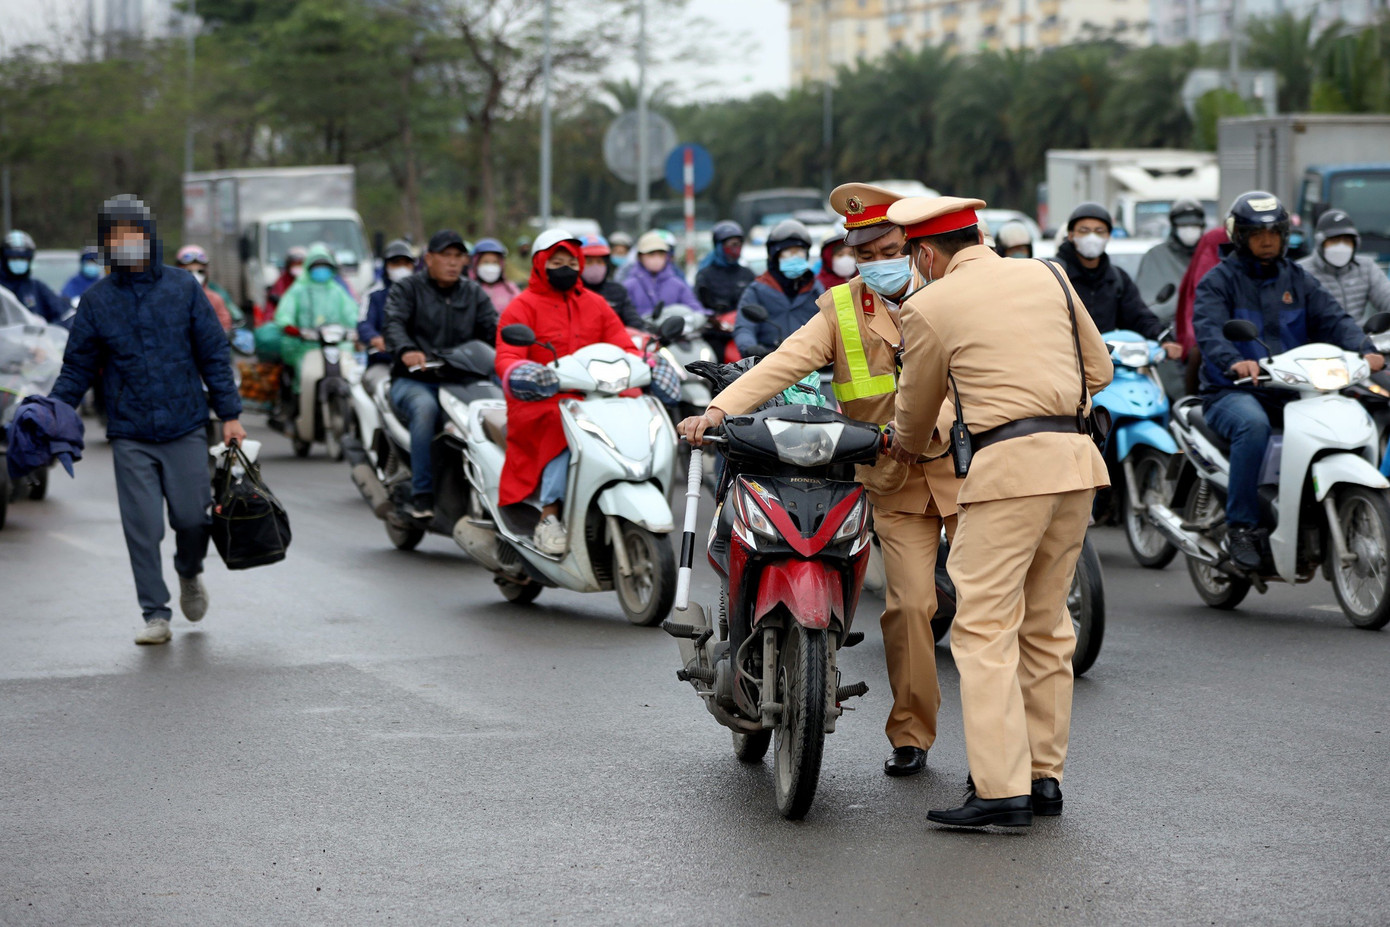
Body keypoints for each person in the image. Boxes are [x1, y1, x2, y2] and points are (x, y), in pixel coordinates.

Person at [679, 183, 960, 778]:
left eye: (887, 248)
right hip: (891, 478)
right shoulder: (841, 308)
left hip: (965, 472)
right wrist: (718, 412)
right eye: (864, 253)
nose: (877, 262)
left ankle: (1015, 760)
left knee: (991, 611)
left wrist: (933, 428)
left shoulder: (954, 294)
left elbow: (978, 377)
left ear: (914, 244)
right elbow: (784, 361)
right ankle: (912, 736)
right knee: (911, 607)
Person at [883, 195, 1112, 829]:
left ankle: (1001, 790)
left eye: (909, 255)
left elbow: (917, 409)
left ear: (925, 253)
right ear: (979, 235)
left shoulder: (928, 305)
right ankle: (1044, 779)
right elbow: (1101, 369)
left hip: (1006, 471)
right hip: (1074, 463)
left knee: (982, 629)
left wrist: (904, 446)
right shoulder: (1050, 274)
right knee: (1046, 625)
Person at [48, 194, 245, 646]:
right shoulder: (97, 302)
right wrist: (54, 410)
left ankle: (190, 572)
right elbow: (77, 367)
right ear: (106, 245)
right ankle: (155, 613)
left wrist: (230, 414)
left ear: (149, 237)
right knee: (143, 528)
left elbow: (213, 353)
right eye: (116, 237)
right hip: (130, 430)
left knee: (193, 520)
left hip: (185, 423)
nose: (126, 243)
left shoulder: (182, 288)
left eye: (133, 234)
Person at [1194, 191, 1383, 571]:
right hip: (1232, 391)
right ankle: (1242, 527)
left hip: (1293, 388)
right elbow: (1209, 329)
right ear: (1239, 236)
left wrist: (1364, 348)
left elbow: (1334, 319)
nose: (1267, 241)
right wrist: (1235, 362)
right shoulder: (1219, 281)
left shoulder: (1299, 278)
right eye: (1257, 233)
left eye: (1274, 233)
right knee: (1252, 425)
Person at [495, 229, 651, 555]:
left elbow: (624, 345)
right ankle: (550, 516)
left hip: (598, 396)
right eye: (556, 261)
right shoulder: (521, 306)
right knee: (564, 426)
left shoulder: (596, 304)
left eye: (571, 261)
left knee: (642, 413)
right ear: (540, 264)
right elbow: (508, 356)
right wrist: (522, 374)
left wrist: (643, 363)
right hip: (543, 399)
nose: (565, 267)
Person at [384, 229, 498, 520]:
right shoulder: (408, 289)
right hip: (416, 379)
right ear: (429, 259)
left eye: (458, 256)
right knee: (425, 410)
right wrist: (407, 349)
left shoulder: (473, 292)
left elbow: (493, 329)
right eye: (445, 255)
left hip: (463, 380)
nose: (452, 262)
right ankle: (422, 495)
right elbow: (394, 323)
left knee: (499, 409)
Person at [1054, 203, 1181, 360]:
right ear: (1071, 234)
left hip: (1107, 363)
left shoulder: (1117, 279)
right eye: (1084, 231)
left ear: (1108, 236)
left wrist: (1162, 336)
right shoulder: (1054, 274)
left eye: (1099, 231)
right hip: (1062, 362)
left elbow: (1137, 316)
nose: (1092, 237)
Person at [733, 218, 824, 355]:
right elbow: (744, 327)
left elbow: (830, 327)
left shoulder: (816, 290)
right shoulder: (757, 290)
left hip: (812, 363)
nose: (795, 257)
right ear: (774, 257)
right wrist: (750, 348)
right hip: (770, 360)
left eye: (799, 252)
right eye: (788, 252)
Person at [1297, 209, 1390, 325]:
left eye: (1347, 241)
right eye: (1334, 241)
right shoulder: (1301, 272)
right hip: (1319, 341)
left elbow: (1386, 296)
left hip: (1360, 338)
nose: (1341, 247)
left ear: (1355, 243)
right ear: (1321, 243)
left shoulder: (1366, 267)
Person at [1135, 198, 1205, 325]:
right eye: (1183, 225)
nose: (1189, 230)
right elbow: (1146, 302)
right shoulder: (1155, 256)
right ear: (1173, 226)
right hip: (1167, 330)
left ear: (1202, 226)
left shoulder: (1211, 254)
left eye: (1194, 225)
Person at [358, 238, 415, 372]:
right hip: (383, 361)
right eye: (396, 263)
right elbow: (364, 323)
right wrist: (375, 339)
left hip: (417, 362)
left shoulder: (421, 292)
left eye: (406, 263)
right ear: (386, 266)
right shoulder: (374, 294)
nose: (402, 268)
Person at [624, 231, 704, 318]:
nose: (657, 259)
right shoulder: (629, 286)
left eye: (661, 255)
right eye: (651, 254)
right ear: (640, 257)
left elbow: (695, 309)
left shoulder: (677, 285)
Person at [1, 230, 70, 328]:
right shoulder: (1, 290)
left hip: (35, 341)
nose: (19, 262)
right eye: (14, 258)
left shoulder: (36, 287)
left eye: (23, 258)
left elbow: (61, 312)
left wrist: (46, 327)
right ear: (4, 258)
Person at [579, 233, 640, 327]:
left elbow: (634, 322)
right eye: (589, 262)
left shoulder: (618, 291)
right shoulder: (571, 292)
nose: (595, 266)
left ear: (607, 264)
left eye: (599, 262)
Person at [694, 220, 755, 312]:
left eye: (738, 244)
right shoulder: (705, 275)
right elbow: (698, 306)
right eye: (731, 244)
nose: (735, 249)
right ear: (719, 246)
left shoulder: (747, 274)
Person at [176, 244, 233, 332]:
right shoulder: (169, 297)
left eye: (200, 271)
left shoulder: (214, 298)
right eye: (189, 271)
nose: (195, 276)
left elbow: (224, 325)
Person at [471, 238, 521, 314]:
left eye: (495, 262)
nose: (490, 267)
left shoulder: (511, 290)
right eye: (486, 262)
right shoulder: (469, 290)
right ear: (476, 264)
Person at [264, 245, 308, 321]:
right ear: (289, 265)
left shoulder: (311, 282)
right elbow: (270, 312)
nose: (298, 267)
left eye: (300, 264)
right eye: (295, 264)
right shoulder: (282, 282)